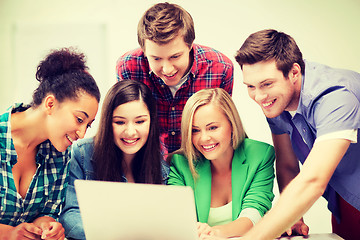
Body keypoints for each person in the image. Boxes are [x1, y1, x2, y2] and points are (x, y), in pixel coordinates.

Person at [234, 29, 360, 240]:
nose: (259, 96)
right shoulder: (275, 101)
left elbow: (313, 181)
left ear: (293, 72)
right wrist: (293, 217)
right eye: (250, 86)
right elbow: (287, 164)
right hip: (345, 198)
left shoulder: (336, 97)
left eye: (266, 84)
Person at [0, 48, 100, 240]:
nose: (82, 133)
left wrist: (48, 226)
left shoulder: (60, 154)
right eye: (80, 119)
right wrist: (8, 234)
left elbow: (46, 212)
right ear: (50, 104)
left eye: (88, 125)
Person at [116, 2, 234, 159]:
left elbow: (222, 129)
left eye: (175, 56)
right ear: (144, 50)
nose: (167, 69)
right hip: (147, 162)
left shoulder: (221, 69)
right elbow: (126, 124)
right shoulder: (128, 67)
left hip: (198, 163)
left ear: (190, 45)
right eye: (156, 58)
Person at [59, 80, 169, 240]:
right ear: (107, 122)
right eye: (119, 122)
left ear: (151, 122)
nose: (130, 132)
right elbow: (70, 216)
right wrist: (115, 234)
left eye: (140, 121)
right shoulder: (83, 154)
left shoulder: (162, 169)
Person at [167, 88, 275, 238]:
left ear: (232, 124)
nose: (204, 138)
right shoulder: (180, 165)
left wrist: (214, 233)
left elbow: (254, 213)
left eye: (212, 127)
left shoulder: (260, 155)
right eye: (195, 130)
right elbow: (178, 218)